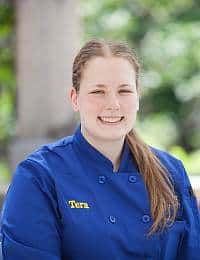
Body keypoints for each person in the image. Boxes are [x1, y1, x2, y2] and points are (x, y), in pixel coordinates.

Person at [0, 39, 199, 260]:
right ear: (75, 99)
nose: (113, 104)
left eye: (124, 91)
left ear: (137, 98)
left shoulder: (171, 172)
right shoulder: (38, 176)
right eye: (98, 91)